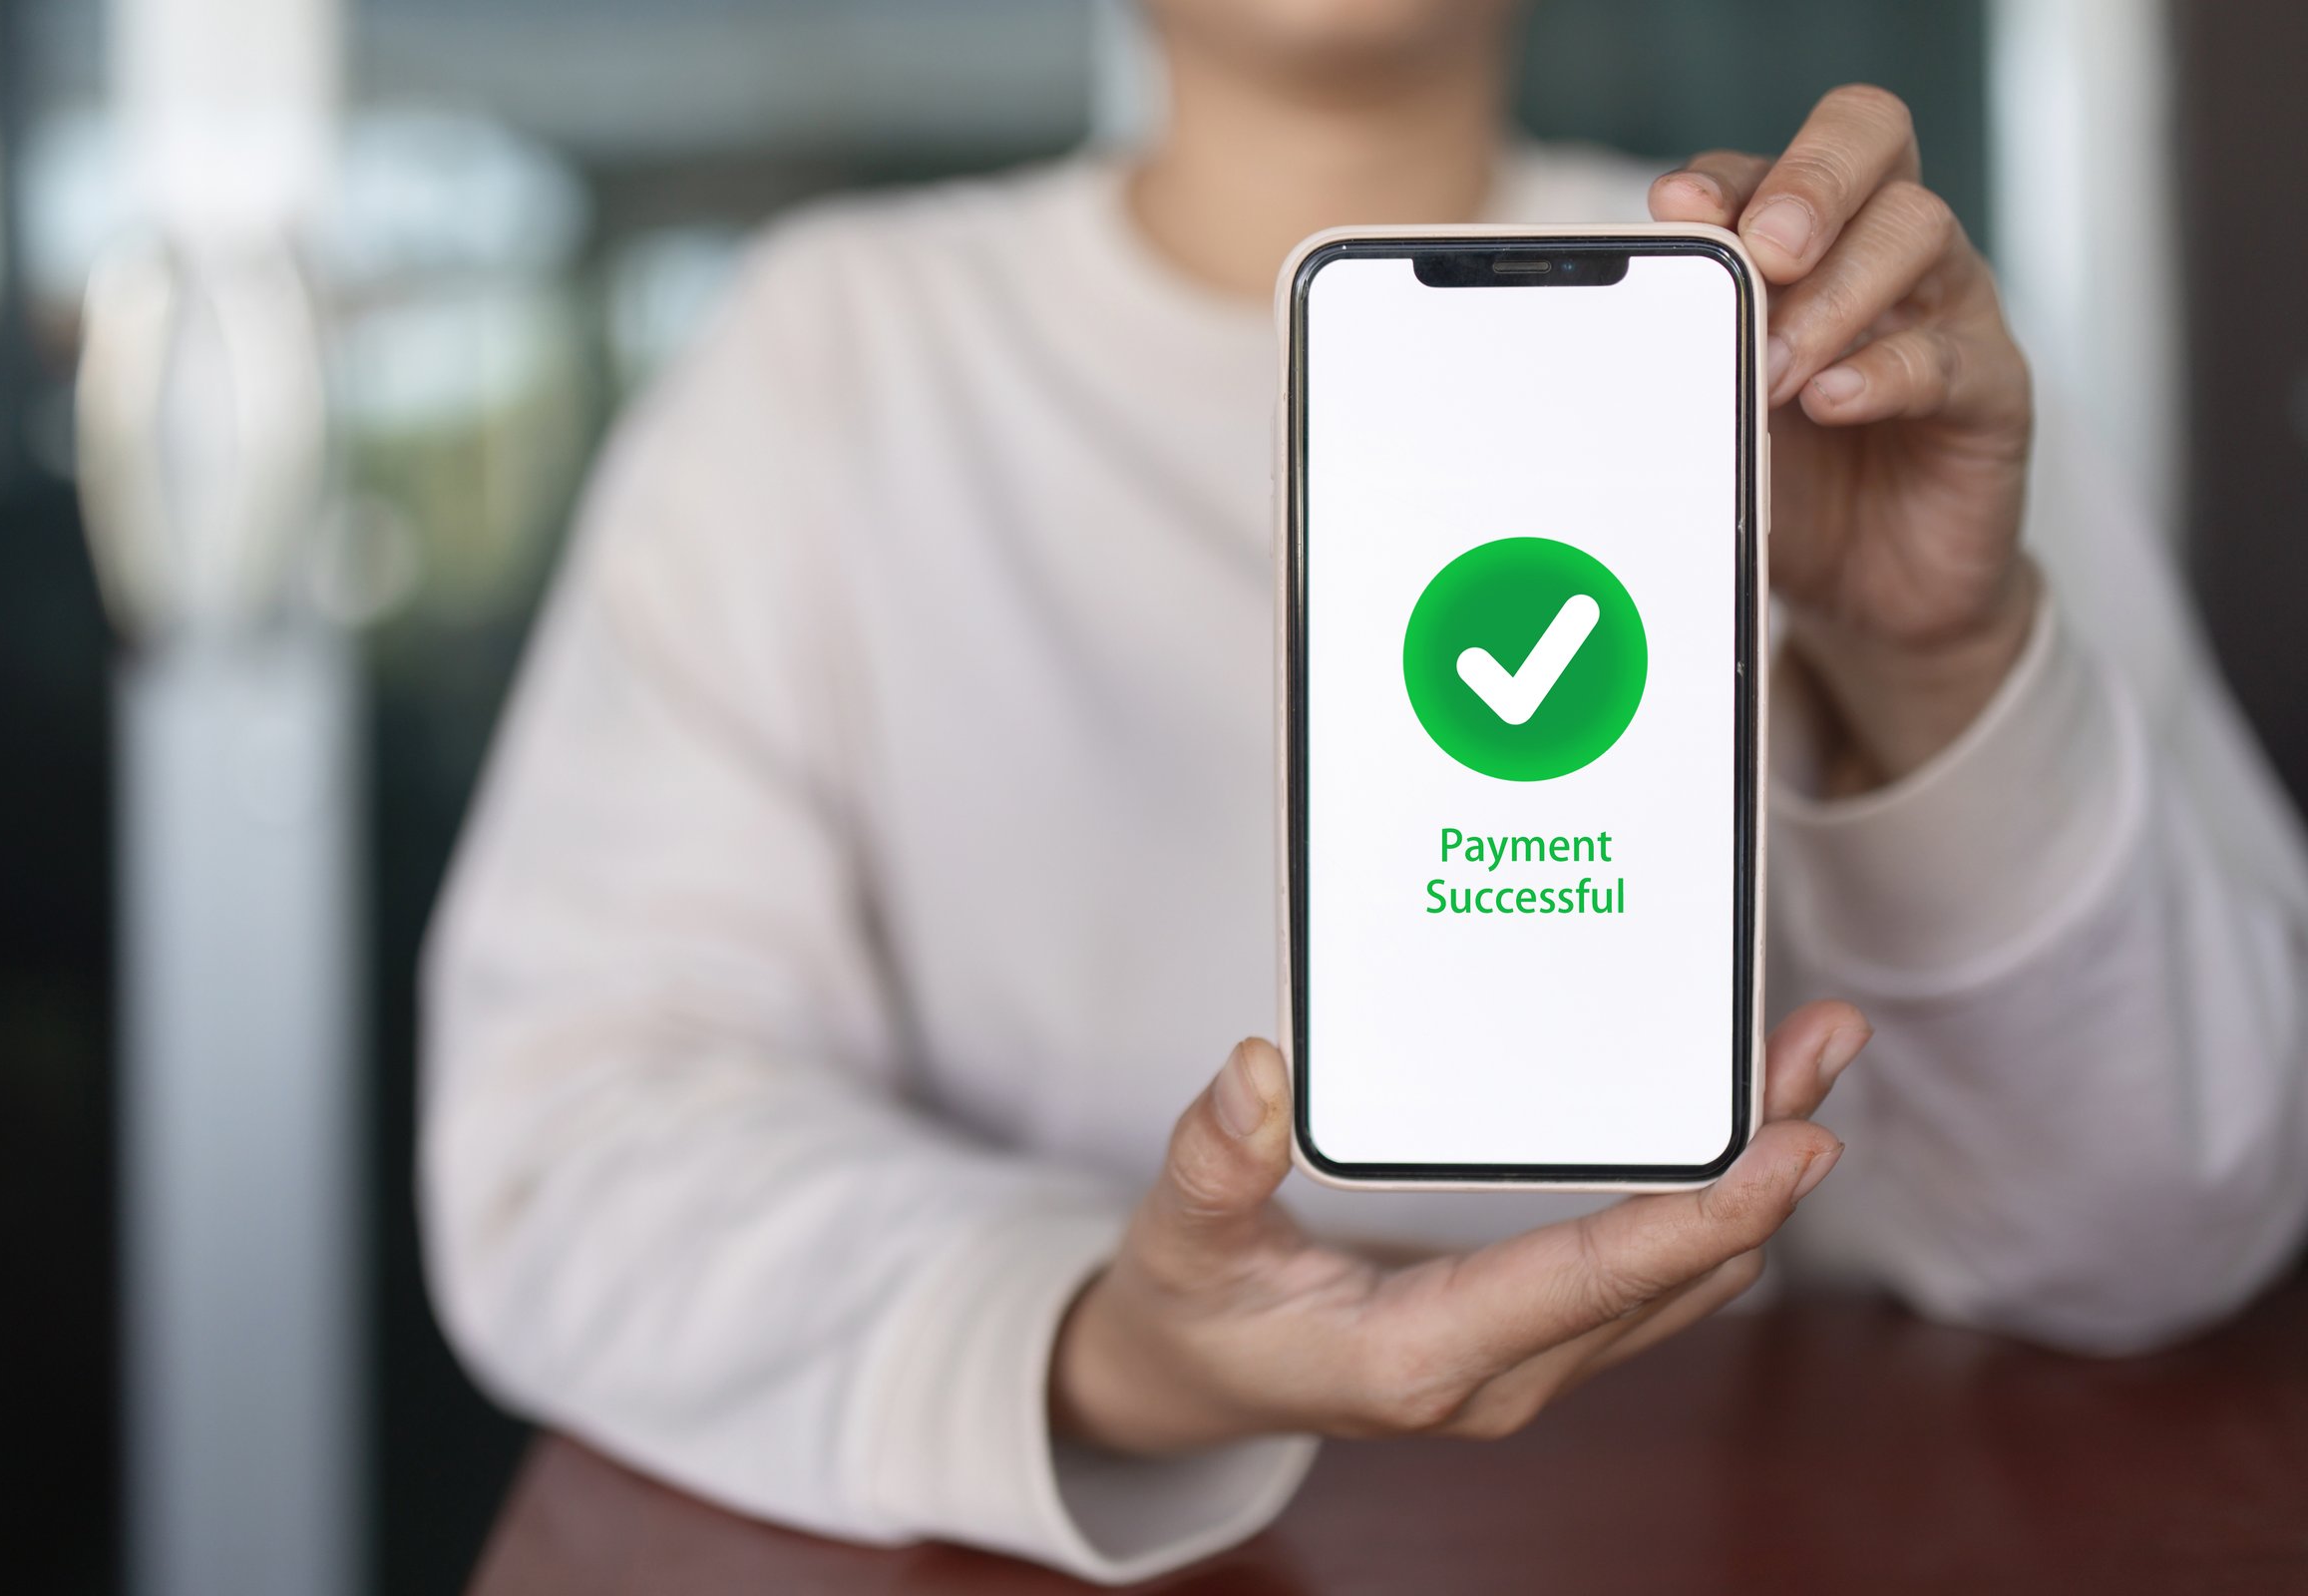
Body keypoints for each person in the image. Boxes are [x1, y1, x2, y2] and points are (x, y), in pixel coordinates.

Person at [419, 0, 2308, 1582]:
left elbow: (2172, 1223)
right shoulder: (828, 359)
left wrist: (1934, 668)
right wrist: (1108, 1349)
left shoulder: (1835, 366)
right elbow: (571, 1144)